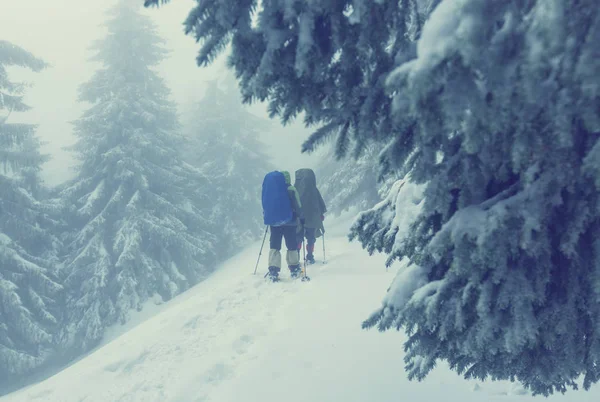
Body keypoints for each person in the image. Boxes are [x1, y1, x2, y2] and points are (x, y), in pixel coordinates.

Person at [261, 170, 304, 281]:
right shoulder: (291, 190)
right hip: (291, 222)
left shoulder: (272, 191)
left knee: (275, 246)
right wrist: (301, 217)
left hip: (275, 223)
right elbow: (298, 205)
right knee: (291, 245)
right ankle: (294, 269)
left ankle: (273, 271)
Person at [294, 168, 326, 264]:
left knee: (298, 237)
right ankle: (310, 256)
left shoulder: (295, 188)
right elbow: (321, 204)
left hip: (299, 218)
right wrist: (320, 215)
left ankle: (297, 256)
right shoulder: (314, 189)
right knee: (311, 238)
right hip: (312, 218)